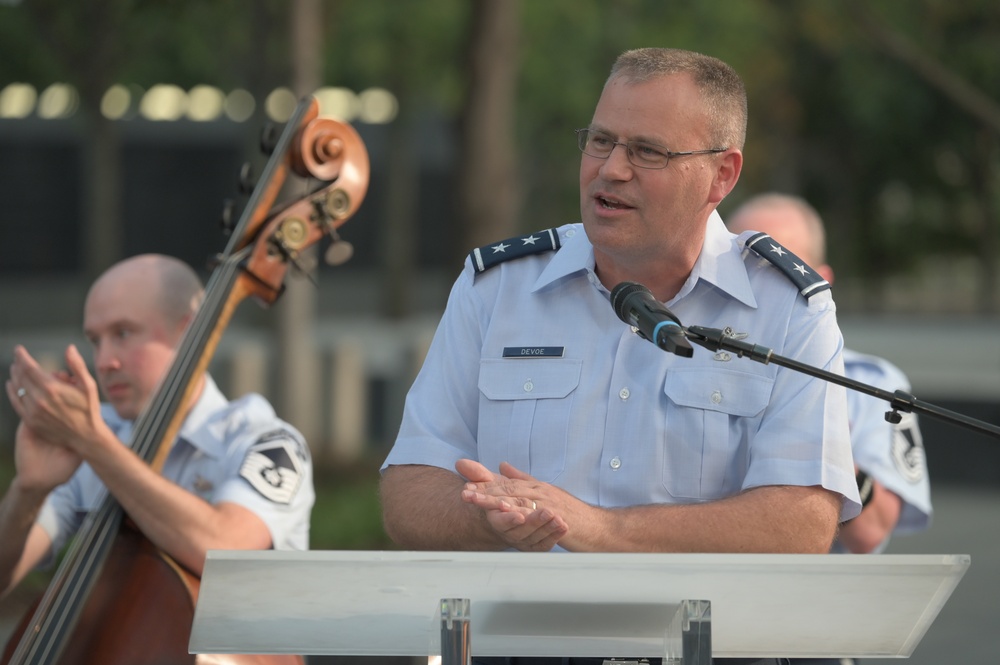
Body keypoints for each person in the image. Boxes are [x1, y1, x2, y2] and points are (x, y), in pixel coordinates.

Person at [380, 47, 860, 665]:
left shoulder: (788, 307)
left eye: (648, 152)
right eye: (600, 141)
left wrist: (599, 530)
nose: (611, 170)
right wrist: (490, 518)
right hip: (521, 648)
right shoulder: (497, 287)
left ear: (722, 175)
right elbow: (410, 488)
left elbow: (800, 522)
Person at [0, 254, 314, 605]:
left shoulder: (264, 441)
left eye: (123, 333)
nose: (104, 361)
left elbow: (227, 549)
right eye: (95, 340)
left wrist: (94, 444)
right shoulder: (91, 435)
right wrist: (29, 489)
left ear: (189, 333)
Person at [727, 193, 932, 553]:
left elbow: (870, 533)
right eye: (742, 264)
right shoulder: (679, 353)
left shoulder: (870, 384)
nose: (757, 280)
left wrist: (824, 442)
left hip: (812, 599)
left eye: (781, 264)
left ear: (821, 280)